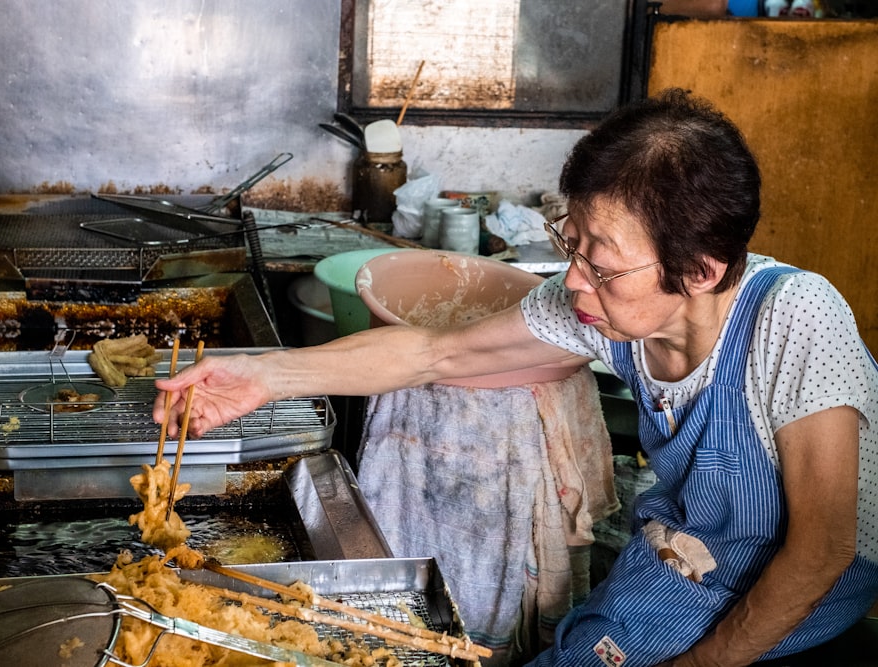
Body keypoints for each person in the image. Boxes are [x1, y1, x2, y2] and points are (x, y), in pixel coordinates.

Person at [154, 88, 878, 666]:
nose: (574, 278)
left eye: (602, 261)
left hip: (808, 576)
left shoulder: (795, 317)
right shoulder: (602, 308)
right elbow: (433, 353)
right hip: (689, 549)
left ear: (700, 270)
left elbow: (821, 547)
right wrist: (263, 375)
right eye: (574, 243)